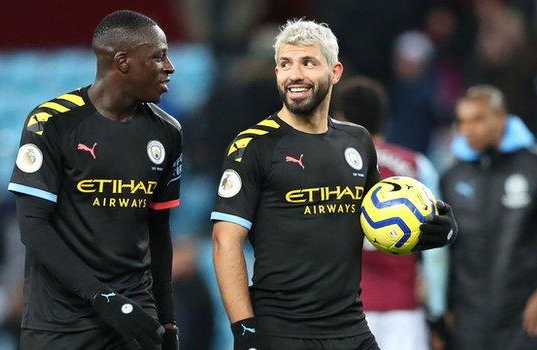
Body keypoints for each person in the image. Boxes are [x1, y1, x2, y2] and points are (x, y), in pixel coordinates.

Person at [211, 19, 458, 350]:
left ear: (335, 71)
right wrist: (244, 330)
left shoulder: (357, 140)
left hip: (351, 327)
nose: (294, 74)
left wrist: (436, 228)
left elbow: (381, 222)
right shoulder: (253, 145)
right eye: (285, 64)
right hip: (283, 332)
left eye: (308, 63)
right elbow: (226, 241)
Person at [7, 10, 181, 350]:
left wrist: (169, 321)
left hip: (135, 318)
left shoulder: (167, 132)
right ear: (123, 61)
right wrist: (104, 298)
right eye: (158, 57)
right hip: (60, 322)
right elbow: (33, 227)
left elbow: (159, 232)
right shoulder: (51, 122)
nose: (169, 67)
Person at [333, 76, 449, 350]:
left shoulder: (326, 168)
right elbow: (438, 247)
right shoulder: (417, 166)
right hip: (405, 311)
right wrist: (437, 310)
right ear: (385, 118)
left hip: (344, 312)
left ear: (340, 118)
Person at [441, 85, 537, 350]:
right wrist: (442, 308)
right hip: (468, 319)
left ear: (501, 120)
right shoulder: (452, 177)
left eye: (478, 119)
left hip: (523, 317)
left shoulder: (533, 169)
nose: (467, 129)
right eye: (461, 121)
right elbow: (445, 250)